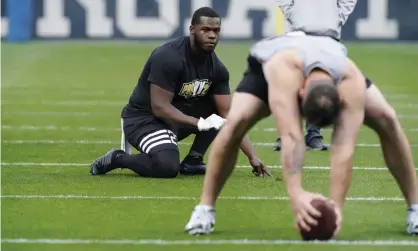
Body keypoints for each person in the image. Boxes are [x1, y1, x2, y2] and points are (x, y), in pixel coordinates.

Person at [183, 31, 418, 236]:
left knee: (387, 118)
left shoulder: (350, 81)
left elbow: (344, 147)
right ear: (301, 92)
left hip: (328, 62)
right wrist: (295, 195)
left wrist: (336, 208)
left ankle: (415, 209)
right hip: (269, 66)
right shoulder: (284, 71)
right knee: (236, 122)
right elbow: (291, 137)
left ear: (340, 97)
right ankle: (205, 208)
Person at [89, 7, 270, 179]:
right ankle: (118, 158)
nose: (212, 35)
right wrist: (199, 123)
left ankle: (193, 160)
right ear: (192, 29)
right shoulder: (168, 57)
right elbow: (159, 107)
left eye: (216, 30)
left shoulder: (218, 69)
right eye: (205, 29)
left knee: (218, 110)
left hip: (175, 120)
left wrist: (252, 156)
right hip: (144, 120)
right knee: (167, 167)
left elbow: (229, 115)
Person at [273, 0, 358, 151]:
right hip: (296, 31)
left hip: (328, 32)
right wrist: (293, 14)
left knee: (321, 78)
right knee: (292, 80)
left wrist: (337, 18)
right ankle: (287, 135)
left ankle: (314, 134)